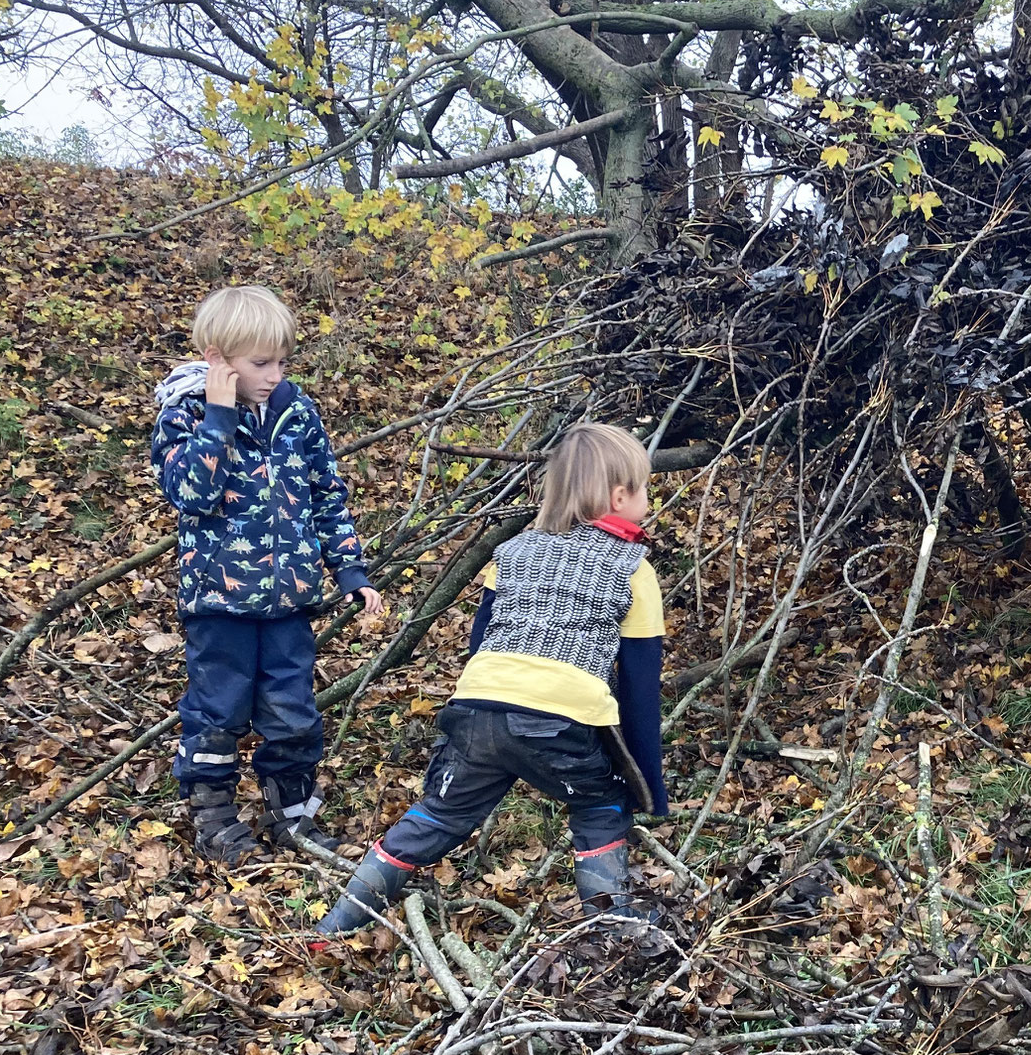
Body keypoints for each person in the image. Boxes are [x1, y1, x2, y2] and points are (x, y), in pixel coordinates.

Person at [316, 421, 669, 938]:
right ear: (619, 496)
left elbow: (481, 644)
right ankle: (614, 926)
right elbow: (640, 689)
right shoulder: (633, 568)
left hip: (477, 704)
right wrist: (648, 787)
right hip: (558, 720)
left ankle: (335, 926)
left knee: (440, 812)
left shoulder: (512, 553)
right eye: (642, 490)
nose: (645, 500)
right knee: (600, 803)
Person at [151, 284, 384, 864]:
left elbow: (326, 493)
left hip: (289, 601)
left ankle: (294, 817)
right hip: (219, 604)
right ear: (216, 359)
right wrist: (220, 418)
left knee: (293, 711)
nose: (275, 374)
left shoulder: (296, 413)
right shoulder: (185, 414)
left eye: (281, 360)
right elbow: (190, 495)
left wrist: (349, 570)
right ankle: (214, 818)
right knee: (217, 711)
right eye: (260, 363)